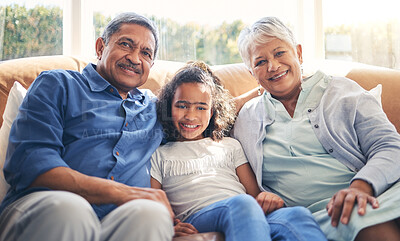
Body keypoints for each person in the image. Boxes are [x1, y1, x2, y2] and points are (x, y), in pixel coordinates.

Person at [0, 12, 175, 241]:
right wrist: (123, 193)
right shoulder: (58, 84)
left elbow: (208, 114)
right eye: (125, 44)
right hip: (47, 205)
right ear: (101, 47)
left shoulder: (156, 108)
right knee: (71, 210)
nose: (134, 58)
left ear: (152, 64)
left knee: (152, 215)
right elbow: (30, 162)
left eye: (146, 53)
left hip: (120, 219)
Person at [233, 16, 400, 241]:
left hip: (368, 193)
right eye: (260, 62)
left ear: (298, 53)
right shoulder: (247, 116)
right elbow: (196, 114)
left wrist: (361, 187)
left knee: (362, 214)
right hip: (302, 219)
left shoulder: (343, 91)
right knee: (361, 221)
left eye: (280, 53)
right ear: (251, 73)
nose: (273, 65)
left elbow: (390, 146)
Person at [150, 61, 327, 241]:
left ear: (211, 112)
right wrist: (169, 225)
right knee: (242, 204)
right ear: (168, 107)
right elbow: (153, 202)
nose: (191, 115)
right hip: (199, 216)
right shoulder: (159, 154)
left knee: (296, 215)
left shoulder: (230, 145)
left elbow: (254, 194)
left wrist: (268, 198)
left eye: (201, 108)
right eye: (182, 105)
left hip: (246, 212)